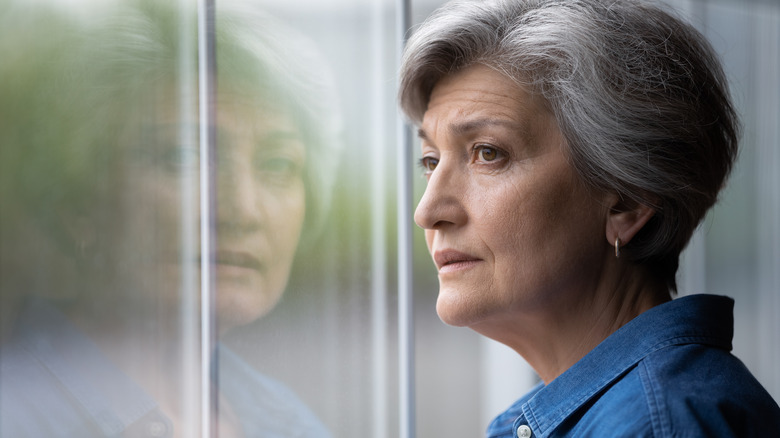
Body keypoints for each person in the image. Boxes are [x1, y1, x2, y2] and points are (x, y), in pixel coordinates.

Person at [398, 0, 780, 436]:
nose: (426, 211)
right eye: (430, 160)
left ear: (628, 202)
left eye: (488, 153)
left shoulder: (658, 425)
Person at [0, 0, 340, 436]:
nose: (243, 211)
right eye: (183, 156)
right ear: (77, 201)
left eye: (277, 166)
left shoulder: (287, 421)